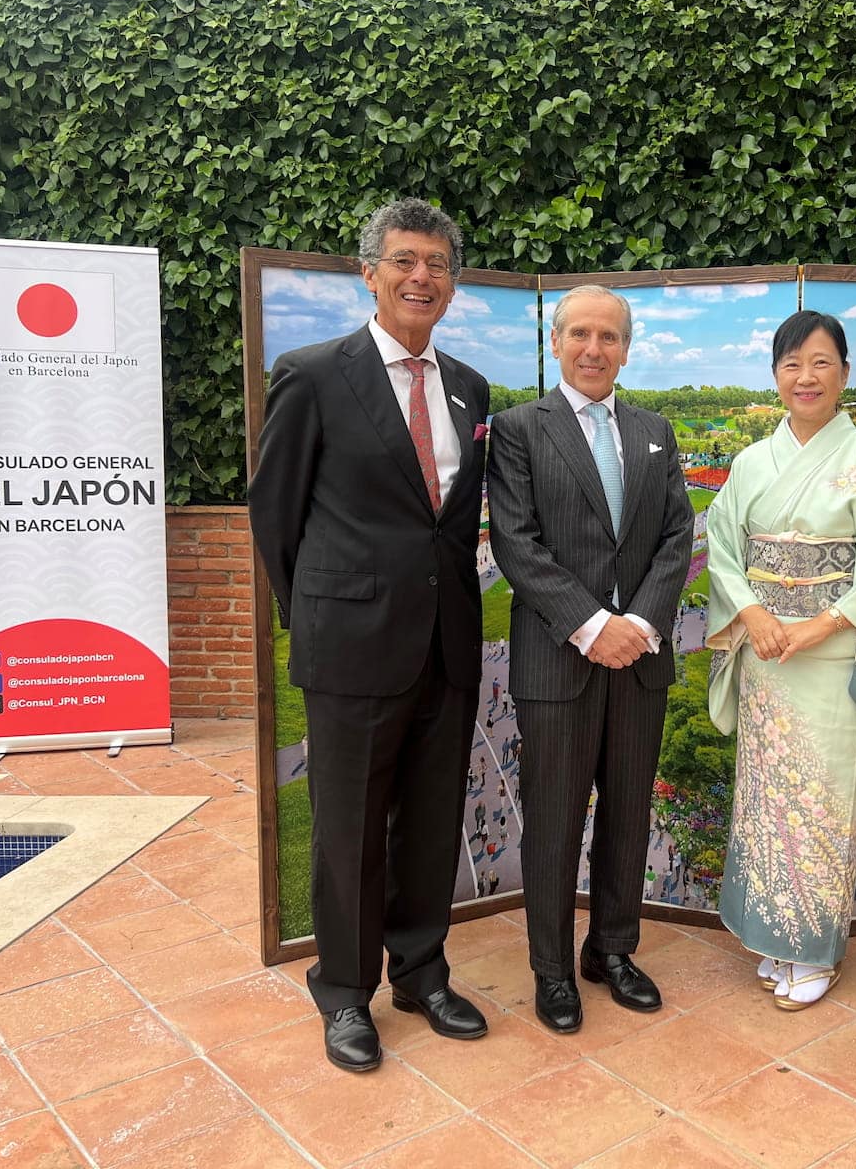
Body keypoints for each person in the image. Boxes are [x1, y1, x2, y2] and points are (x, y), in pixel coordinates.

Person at [248, 199, 490, 1072]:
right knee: (346, 830)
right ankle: (344, 993)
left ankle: (421, 973)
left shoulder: (468, 387)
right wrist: (316, 614)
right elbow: (273, 518)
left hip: (446, 644)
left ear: (453, 284)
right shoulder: (313, 375)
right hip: (350, 648)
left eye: (436, 263)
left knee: (430, 822)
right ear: (371, 274)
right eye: (404, 261)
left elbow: (451, 525)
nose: (421, 276)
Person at [486, 284, 692, 1034]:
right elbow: (517, 543)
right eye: (580, 334)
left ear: (627, 348)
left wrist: (636, 621)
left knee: (629, 817)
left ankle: (612, 950)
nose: (593, 349)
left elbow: (677, 535)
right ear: (556, 341)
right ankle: (551, 968)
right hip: (559, 662)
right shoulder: (517, 430)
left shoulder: (655, 431)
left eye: (608, 336)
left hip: (638, 661)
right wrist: (590, 624)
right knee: (554, 821)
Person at [705, 311, 856, 1010]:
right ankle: (772, 936)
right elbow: (726, 551)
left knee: (822, 804)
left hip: (830, 656)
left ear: (845, 374)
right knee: (767, 803)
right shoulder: (750, 463)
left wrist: (824, 622)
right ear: (775, 375)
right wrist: (756, 614)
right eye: (792, 363)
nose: (806, 377)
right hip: (767, 651)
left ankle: (815, 947)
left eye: (821, 362)